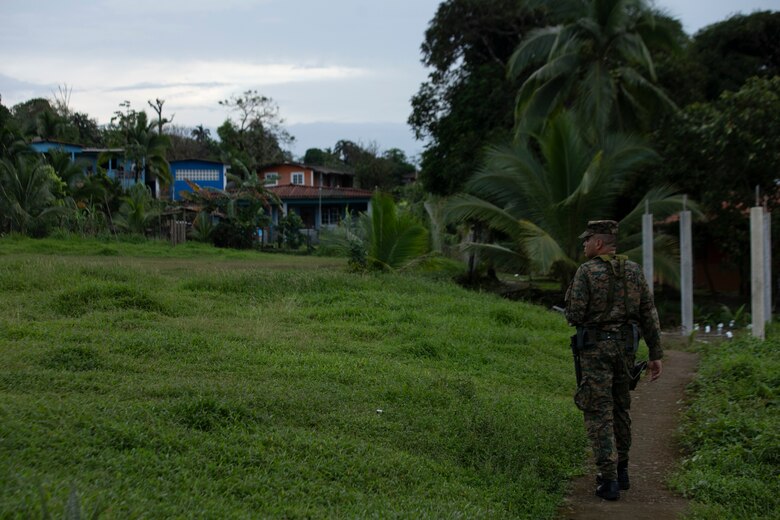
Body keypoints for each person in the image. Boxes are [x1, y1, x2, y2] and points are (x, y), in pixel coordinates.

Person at [564, 220, 663, 501]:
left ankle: (607, 480)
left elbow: (574, 314)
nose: (584, 244)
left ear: (598, 243)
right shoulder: (634, 271)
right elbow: (648, 312)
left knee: (598, 411)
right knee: (621, 408)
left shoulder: (586, 271)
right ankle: (622, 471)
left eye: (587, 240)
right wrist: (656, 354)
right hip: (626, 349)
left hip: (596, 349)